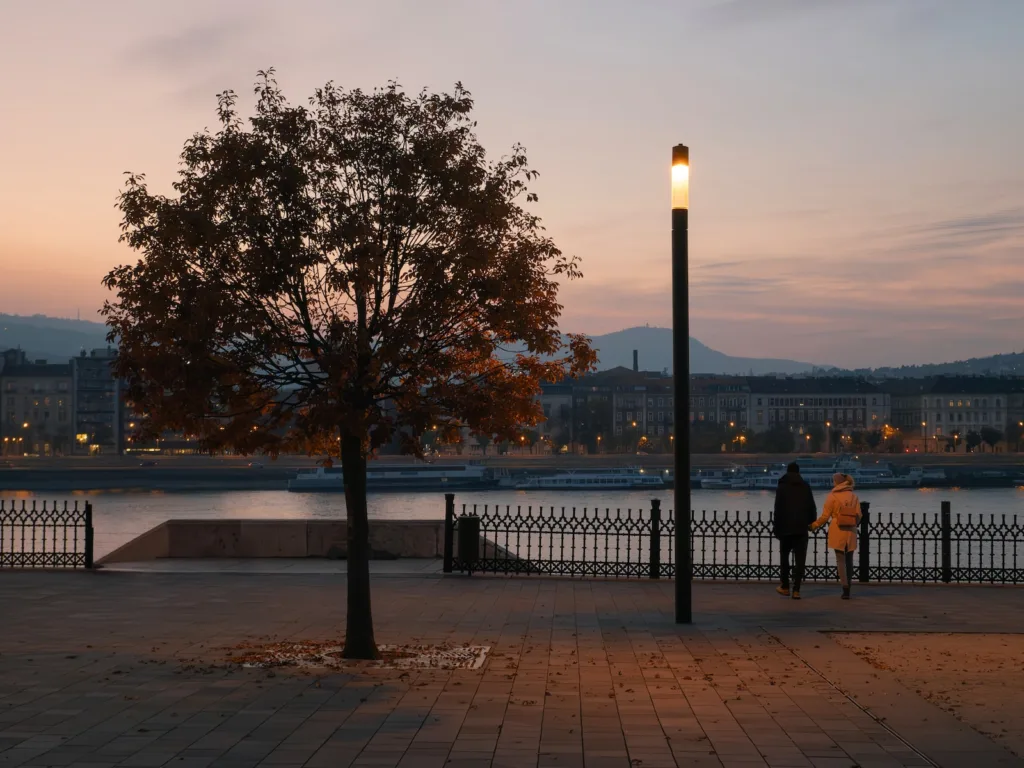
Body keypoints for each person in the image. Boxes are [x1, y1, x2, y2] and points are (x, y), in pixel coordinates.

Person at [811, 473, 862, 599]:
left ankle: (844, 588)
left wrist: (814, 525)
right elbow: (859, 515)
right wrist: (853, 523)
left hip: (837, 528)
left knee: (840, 559)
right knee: (849, 559)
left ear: (836, 482)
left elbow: (825, 516)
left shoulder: (832, 496)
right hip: (851, 529)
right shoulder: (853, 496)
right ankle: (848, 586)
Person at [772, 462, 817, 599]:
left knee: (784, 559)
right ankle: (796, 590)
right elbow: (811, 507)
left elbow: (778, 509)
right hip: (801, 528)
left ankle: (785, 586)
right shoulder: (805, 486)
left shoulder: (782, 487)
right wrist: (810, 522)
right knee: (800, 561)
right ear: (798, 472)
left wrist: (777, 527)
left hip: (785, 528)